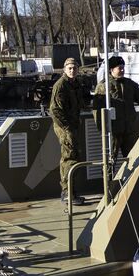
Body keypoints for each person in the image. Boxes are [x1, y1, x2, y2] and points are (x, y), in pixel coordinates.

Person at [95, 54, 139, 156]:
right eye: (120, 68)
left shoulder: (129, 84)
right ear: (111, 69)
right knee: (110, 158)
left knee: (131, 156)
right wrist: (102, 128)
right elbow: (97, 109)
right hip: (113, 130)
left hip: (128, 129)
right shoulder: (103, 86)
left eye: (123, 68)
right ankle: (109, 172)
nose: (122, 70)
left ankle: (130, 172)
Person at [48, 57, 91, 199]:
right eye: (70, 68)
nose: (72, 71)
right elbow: (54, 110)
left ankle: (71, 190)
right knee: (69, 157)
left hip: (73, 125)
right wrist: (66, 128)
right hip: (65, 127)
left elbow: (80, 103)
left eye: (75, 68)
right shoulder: (60, 85)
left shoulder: (76, 84)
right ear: (65, 70)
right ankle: (67, 191)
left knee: (75, 157)